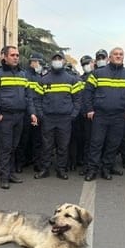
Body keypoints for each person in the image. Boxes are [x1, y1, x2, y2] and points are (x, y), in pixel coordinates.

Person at [0, 45, 38, 189]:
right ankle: (4, 177)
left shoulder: (22, 74)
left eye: (17, 55)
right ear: (5, 57)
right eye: (12, 55)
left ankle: (11, 173)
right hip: (5, 117)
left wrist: (32, 113)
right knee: (6, 147)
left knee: (14, 147)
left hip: (19, 116)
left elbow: (28, 97)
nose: (16, 58)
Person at [83, 47, 125, 181]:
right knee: (96, 143)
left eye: (121, 54)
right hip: (100, 115)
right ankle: (92, 169)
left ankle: (106, 168)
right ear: (109, 57)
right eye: (115, 54)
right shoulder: (97, 73)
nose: (118, 56)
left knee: (113, 144)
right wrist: (90, 109)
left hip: (119, 116)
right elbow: (88, 93)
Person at [34, 51, 83, 180]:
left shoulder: (72, 79)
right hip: (48, 118)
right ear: (51, 61)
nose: (57, 61)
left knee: (63, 145)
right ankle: (44, 169)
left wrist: (73, 115)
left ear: (64, 61)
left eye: (59, 58)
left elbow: (78, 99)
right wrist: (41, 115)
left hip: (65, 118)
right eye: (55, 59)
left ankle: (61, 169)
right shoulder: (43, 80)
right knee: (46, 146)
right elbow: (37, 99)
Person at [15, 53, 43, 173]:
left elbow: (41, 96)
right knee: (24, 139)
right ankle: (22, 162)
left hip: (34, 112)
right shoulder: (24, 75)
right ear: (33, 62)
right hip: (27, 112)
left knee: (35, 140)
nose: (40, 65)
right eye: (39, 62)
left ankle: (32, 163)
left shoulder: (38, 77)